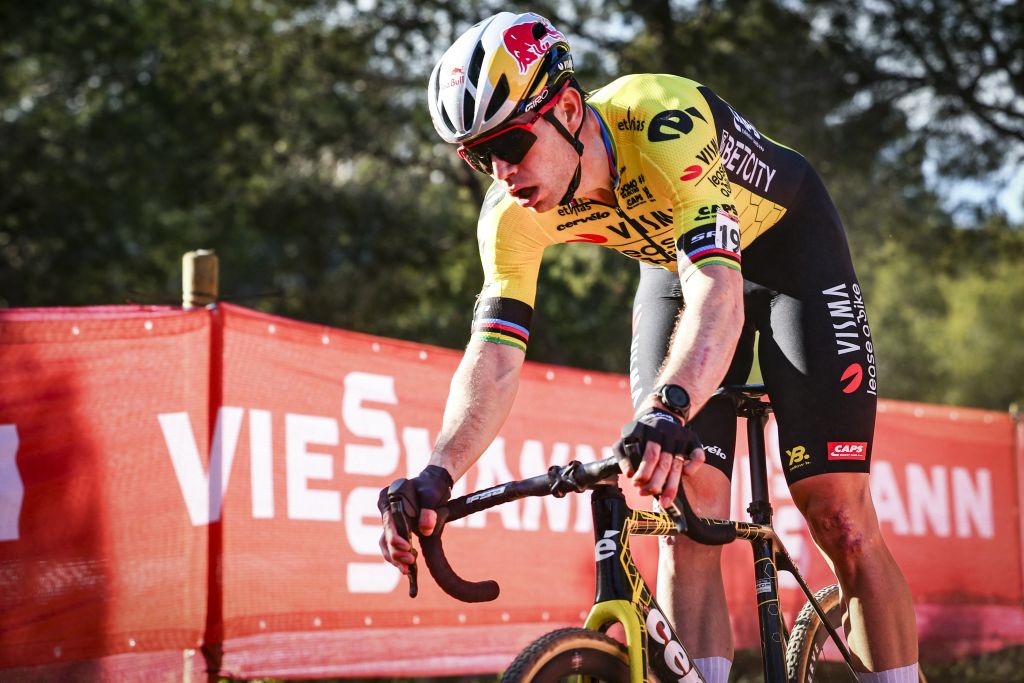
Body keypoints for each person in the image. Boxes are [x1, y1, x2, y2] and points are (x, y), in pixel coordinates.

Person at [378, 11, 919, 683]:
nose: (502, 168)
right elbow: (494, 356)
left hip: (786, 252)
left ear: (569, 108)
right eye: (479, 155)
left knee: (838, 511)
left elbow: (719, 294)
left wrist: (670, 406)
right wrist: (439, 471)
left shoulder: (663, 120)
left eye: (513, 141)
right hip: (677, 261)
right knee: (682, 498)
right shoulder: (508, 214)